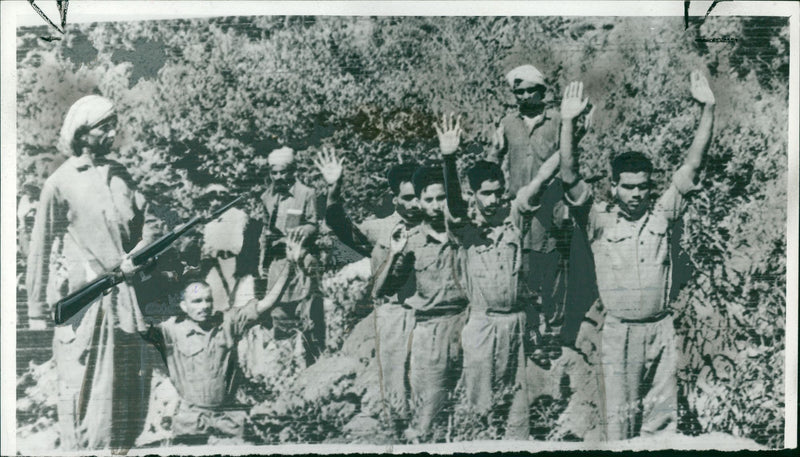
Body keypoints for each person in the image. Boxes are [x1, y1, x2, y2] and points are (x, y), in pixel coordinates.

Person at [563, 72, 716, 439]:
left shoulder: (662, 212)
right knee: (621, 424)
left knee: (661, 425)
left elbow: (692, 164)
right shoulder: (598, 220)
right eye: (627, 187)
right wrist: (567, 122)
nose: (636, 194)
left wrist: (708, 109)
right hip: (619, 334)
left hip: (660, 329)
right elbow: (568, 177)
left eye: (643, 187)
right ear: (613, 186)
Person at [25, 95, 148, 450]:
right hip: (86, 303)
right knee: (87, 385)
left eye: (114, 123)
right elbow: (40, 247)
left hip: (127, 297)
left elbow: (143, 228)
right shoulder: (59, 182)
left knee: (128, 382)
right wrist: (35, 308)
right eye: (104, 126)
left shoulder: (122, 176)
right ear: (82, 133)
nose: (113, 131)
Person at [435, 113, 561, 439]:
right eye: (485, 193)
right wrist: (449, 158)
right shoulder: (465, 228)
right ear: (473, 193)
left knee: (518, 416)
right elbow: (454, 205)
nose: (492, 200)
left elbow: (543, 178)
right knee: (481, 412)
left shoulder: (514, 216)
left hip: (516, 325)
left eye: (496, 192)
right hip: (482, 326)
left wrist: (572, 135)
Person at [138, 230, 306, 444]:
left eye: (208, 300)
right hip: (190, 423)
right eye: (197, 301)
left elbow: (266, 304)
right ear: (183, 306)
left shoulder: (228, 322)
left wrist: (289, 265)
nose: (204, 306)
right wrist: (127, 279)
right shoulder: (171, 330)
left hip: (228, 421)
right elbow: (139, 325)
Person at [487, 64, 595, 358]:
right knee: (522, 269)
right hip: (520, 211)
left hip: (553, 209)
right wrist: (494, 152)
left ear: (542, 91)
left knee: (555, 271)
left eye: (529, 90)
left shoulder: (559, 120)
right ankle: (531, 332)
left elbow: (569, 160)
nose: (523, 96)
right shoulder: (507, 123)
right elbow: (491, 169)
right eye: (518, 91)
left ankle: (556, 334)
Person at [315, 148, 420, 422]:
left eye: (418, 196)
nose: (415, 204)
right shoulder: (382, 229)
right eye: (407, 198)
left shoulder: (437, 224)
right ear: (395, 199)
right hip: (392, 320)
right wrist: (334, 188)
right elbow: (341, 226)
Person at [372, 158, 471, 442]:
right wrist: (394, 254)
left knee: (466, 412)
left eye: (442, 198)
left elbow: (458, 208)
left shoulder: (462, 233)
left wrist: (449, 157)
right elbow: (381, 289)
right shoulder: (412, 240)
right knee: (428, 417)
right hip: (429, 333)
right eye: (429, 199)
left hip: (466, 324)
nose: (436, 205)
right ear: (420, 202)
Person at [259, 146, 325, 367]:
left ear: (293, 171)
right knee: (278, 312)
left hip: (301, 259)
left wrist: (301, 233)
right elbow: (264, 231)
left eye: (283, 172)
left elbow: (313, 224)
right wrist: (263, 261)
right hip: (278, 262)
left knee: (308, 314)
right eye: (274, 172)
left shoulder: (306, 193)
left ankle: (313, 362)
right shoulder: (267, 197)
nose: (278, 177)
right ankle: (285, 367)